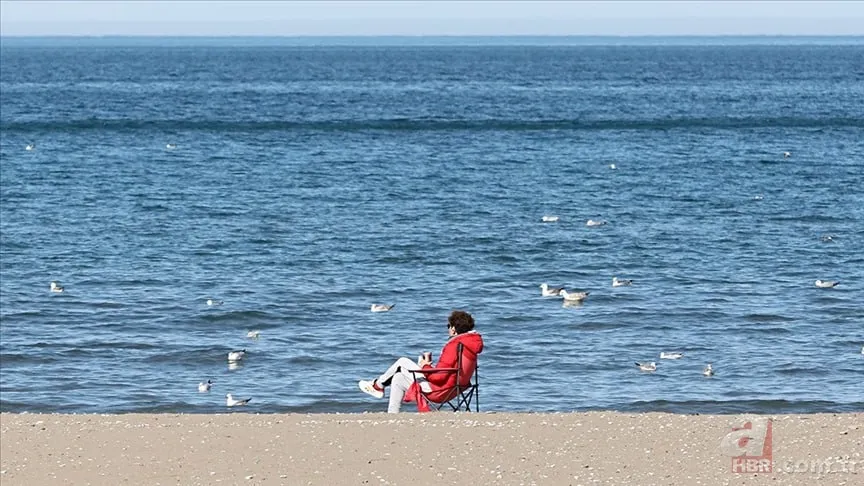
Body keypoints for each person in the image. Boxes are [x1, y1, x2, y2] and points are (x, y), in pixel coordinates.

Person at [358, 310, 484, 413]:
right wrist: (429, 367)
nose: (447, 329)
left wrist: (425, 366)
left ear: (454, 329)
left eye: (448, 326)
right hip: (455, 389)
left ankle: (378, 386)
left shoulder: (454, 345)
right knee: (398, 377)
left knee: (402, 361)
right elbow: (451, 371)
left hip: (439, 391)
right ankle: (392, 414)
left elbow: (439, 377)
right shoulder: (470, 344)